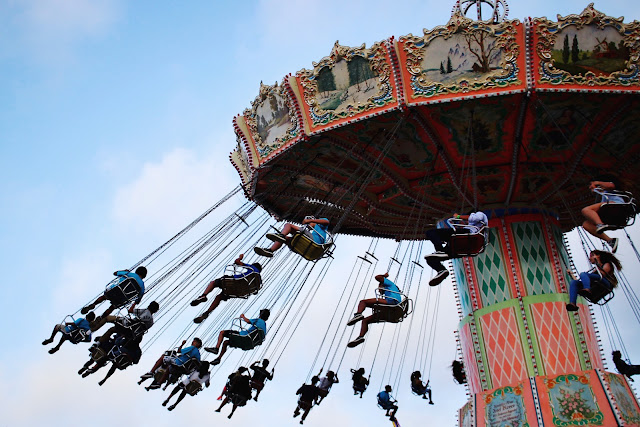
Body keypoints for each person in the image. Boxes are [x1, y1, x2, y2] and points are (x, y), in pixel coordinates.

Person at [192, 254, 262, 324]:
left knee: (213, 283)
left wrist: (240, 258)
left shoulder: (252, 268)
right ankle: (207, 312)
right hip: (238, 292)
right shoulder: (259, 280)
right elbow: (255, 292)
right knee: (219, 297)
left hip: (233, 282)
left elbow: (237, 262)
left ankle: (203, 295)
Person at [424, 211, 488, 286]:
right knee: (430, 259)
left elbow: (475, 218)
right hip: (463, 246)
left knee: (430, 232)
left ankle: (440, 251)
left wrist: (458, 216)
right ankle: (441, 270)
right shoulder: (474, 225)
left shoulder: (480, 214)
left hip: (467, 234)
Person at [346, 273, 402, 348]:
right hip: (391, 311)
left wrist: (384, 276)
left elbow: (377, 277)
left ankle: (358, 314)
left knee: (363, 302)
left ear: (382, 285)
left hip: (392, 303)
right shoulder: (391, 291)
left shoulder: (390, 284)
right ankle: (360, 337)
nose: (379, 291)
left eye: (379, 288)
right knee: (365, 320)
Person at [204, 309, 270, 365]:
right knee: (226, 342)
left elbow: (247, 321)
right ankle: (218, 358)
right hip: (248, 344)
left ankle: (216, 348)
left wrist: (243, 316)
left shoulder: (258, 320)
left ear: (261, 314)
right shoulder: (264, 328)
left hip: (244, 337)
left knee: (222, 332)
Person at [81, 266, 148, 317]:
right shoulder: (142, 287)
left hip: (115, 290)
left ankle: (94, 304)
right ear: (144, 276)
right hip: (122, 299)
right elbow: (138, 300)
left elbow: (115, 273)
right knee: (112, 307)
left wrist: (124, 271)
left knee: (104, 297)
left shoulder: (130, 274)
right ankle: (101, 318)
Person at [255, 216, 330, 257]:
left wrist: (310, 221)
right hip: (309, 246)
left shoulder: (321, 227)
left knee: (288, 225)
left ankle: (282, 235)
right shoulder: (313, 232)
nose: (308, 226)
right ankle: (270, 250)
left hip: (314, 241)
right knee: (286, 239)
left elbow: (327, 221)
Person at [581, 178, 623, 252]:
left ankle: (600, 224)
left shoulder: (608, 189)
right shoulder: (603, 196)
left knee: (586, 210)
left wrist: (597, 182)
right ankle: (610, 240)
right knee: (586, 224)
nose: (590, 187)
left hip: (616, 205)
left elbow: (611, 185)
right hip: (608, 211)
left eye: (590, 185)